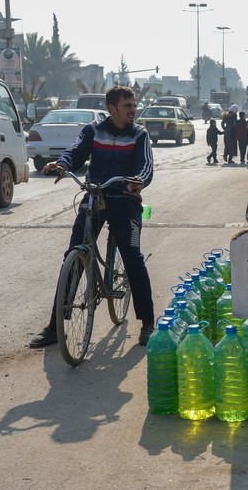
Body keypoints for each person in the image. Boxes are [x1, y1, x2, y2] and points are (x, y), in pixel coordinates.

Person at [29, 86, 156, 348]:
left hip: (125, 199)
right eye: (127, 106)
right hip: (94, 198)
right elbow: (75, 151)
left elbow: (146, 165)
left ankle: (148, 323)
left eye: (134, 105)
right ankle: (55, 327)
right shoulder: (93, 130)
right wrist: (62, 164)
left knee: (132, 258)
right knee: (73, 255)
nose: (133, 110)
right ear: (112, 109)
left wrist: (139, 181)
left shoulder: (139, 134)